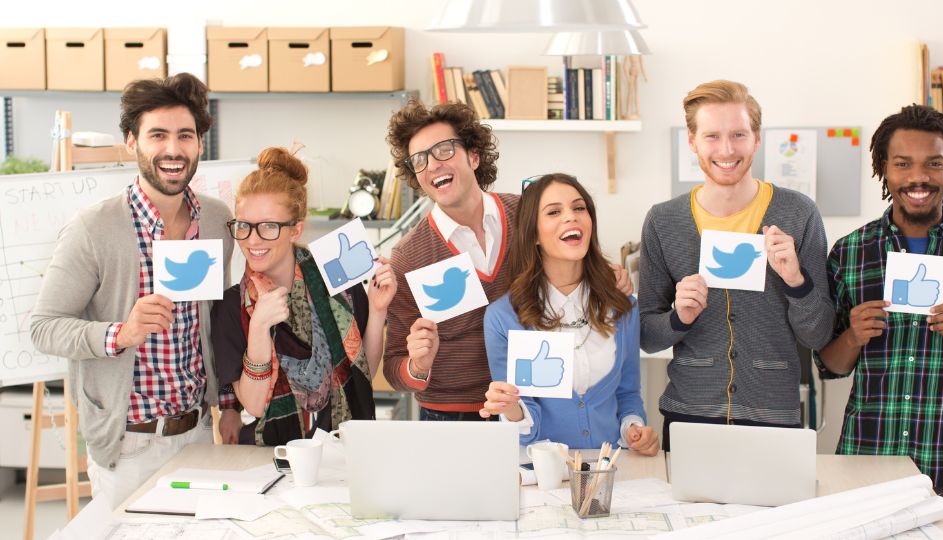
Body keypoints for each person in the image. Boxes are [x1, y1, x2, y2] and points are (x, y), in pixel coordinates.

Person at [815, 104, 943, 539]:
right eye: (903, 163)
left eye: (934, 163)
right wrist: (853, 335)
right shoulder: (850, 253)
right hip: (865, 461)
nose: (918, 178)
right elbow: (831, 365)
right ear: (884, 169)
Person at [30, 73, 233, 507]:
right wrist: (118, 334)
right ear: (131, 142)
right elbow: (44, 328)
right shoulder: (94, 228)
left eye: (185, 136)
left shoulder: (217, 221)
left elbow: (218, 324)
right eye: (157, 135)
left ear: (200, 144)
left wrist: (228, 404)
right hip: (129, 445)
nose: (173, 150)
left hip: (199, 434)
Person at [382, 101, 632, 420]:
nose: (432, 165)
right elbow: (393, 367)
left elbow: (572, 265)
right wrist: (417, 365)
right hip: (452, 415)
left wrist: (607, 276)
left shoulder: (527, 216)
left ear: (473, 156)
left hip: (536, 407)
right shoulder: (409, 255)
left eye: (443, 150)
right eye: (419, 159)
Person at [638, 80, 834, 450]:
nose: (726, 150)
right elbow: (647, 335)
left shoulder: (798, 213)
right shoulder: (664, 222)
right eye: (712, 136)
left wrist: (796, 281)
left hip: (774, 416)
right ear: (692, 141)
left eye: (739, 135)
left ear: (757, 139)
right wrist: (679, 316)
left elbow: (819, 335)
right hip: (690, 415)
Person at [211, 147, 395, 446]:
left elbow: (365, 372)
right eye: (244, 225)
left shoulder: (340, 286)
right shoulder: (232, 305)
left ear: (295, 230)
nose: (253, 239)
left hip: (341, 449)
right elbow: (256, 406)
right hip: (266, 459)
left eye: (269, 226)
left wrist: (377, 311)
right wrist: (258, 327)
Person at [479, 174, 658, 454]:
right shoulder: (503, 318)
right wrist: (511, 408)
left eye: (579, 208)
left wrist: (634, 429)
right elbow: (523, 427)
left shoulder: (623, 306)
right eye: (553, 212)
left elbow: (628, 394)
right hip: (542, 477)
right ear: (534, 234)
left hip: (611, 471)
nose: (570, 218)